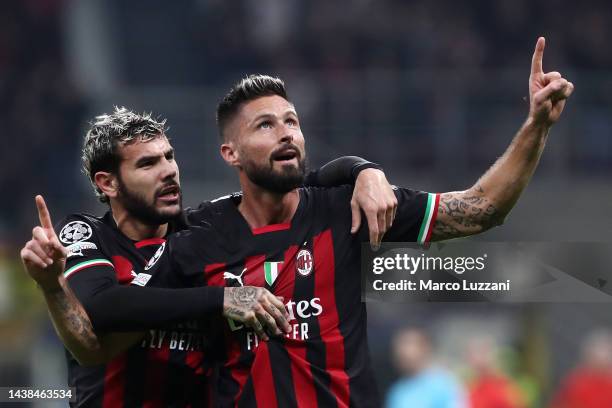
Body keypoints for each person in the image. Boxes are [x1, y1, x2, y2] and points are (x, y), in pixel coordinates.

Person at [133, 36, 572, 406]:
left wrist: (537, 126)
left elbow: (481, 209)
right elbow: (121, 323)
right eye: (265, 126)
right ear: (230, 153)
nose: (286, 132)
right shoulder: (196, 237)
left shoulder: (345, 208)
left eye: (292, 121)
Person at [20, 107, 398, 407]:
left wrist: (362, 169)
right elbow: (102, 308)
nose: (168, 171)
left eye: (169, 157)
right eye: (148, 164)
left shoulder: (202, 231)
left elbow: (298, 183)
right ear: (108, 183)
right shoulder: (87, 234)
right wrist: (223, 298)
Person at [386, 328, 467, 408]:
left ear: (425, 347)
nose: (403, 352)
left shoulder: (445, 384)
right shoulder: (398, 389)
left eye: (409, 344)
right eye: (400, 346)